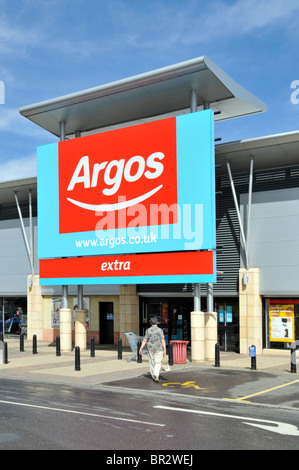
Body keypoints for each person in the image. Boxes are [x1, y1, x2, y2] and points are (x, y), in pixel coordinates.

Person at [139, 315, 166, 383]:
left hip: (150, 348)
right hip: (159, 348)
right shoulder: (160, 330)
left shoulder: (148, 330)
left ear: (151, 323)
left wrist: (141, 348)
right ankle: (156, 374)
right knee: (158, 362)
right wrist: (164, 349)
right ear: (157, 323)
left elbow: (145, 340)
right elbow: (163, 340)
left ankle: (153, 374)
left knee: (151, 361)